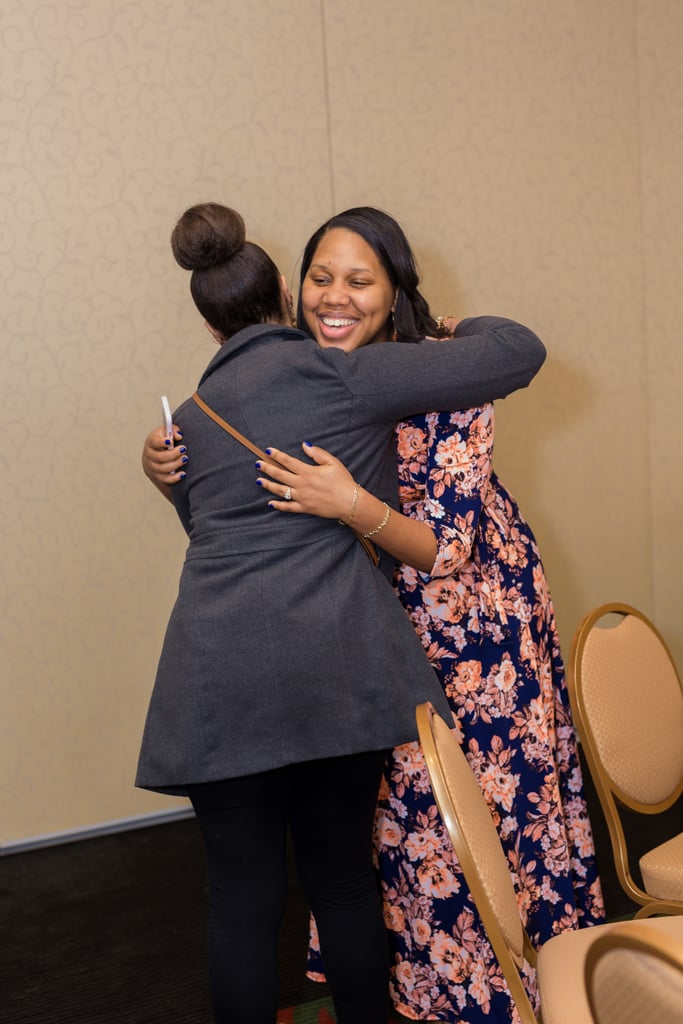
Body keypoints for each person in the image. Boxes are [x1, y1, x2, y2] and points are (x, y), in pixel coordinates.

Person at [136, 201, 546, 1024]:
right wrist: (433, 325)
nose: (334, 294)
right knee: (344, 887)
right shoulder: (344, 375)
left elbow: (206, 531)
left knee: (241, 906)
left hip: (215, 682)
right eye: (323, 278)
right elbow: (517, 350)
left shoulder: (184, 423)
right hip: (333, 670)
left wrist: (160, 474)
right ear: (284, 289)